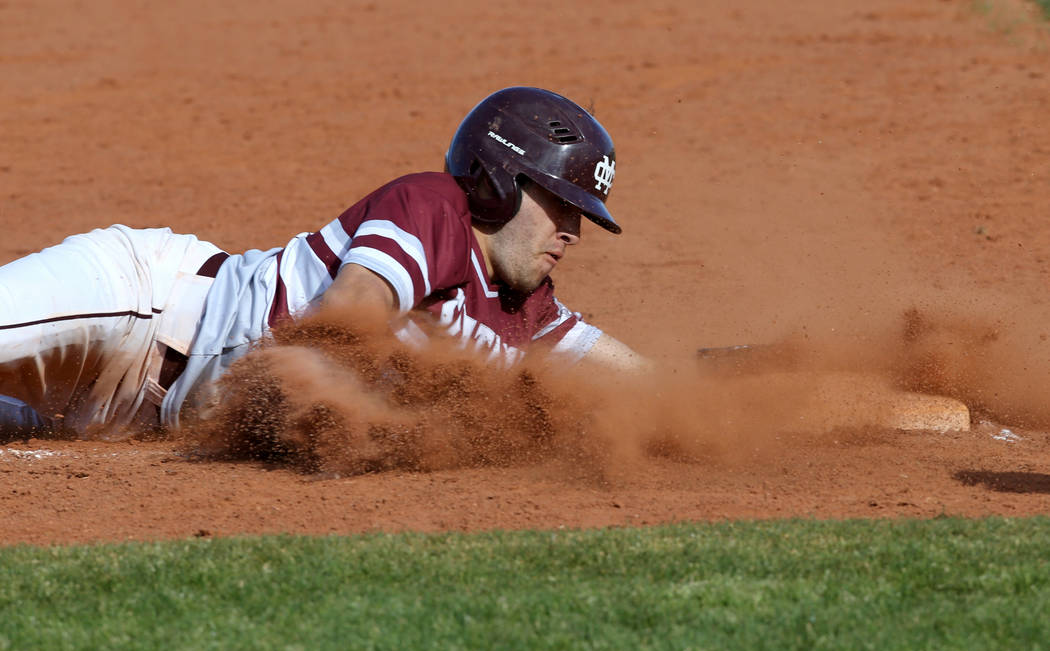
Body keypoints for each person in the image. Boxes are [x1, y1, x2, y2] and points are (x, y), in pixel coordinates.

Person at [0, 86, 646, 441]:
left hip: (117, 416)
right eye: (560, 204)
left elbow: (639, 381)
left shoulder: (523, 308)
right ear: (500, 179)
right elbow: (350, 317)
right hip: (138, 309)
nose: (572, 230)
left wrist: (728, 401)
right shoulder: (431, 210)